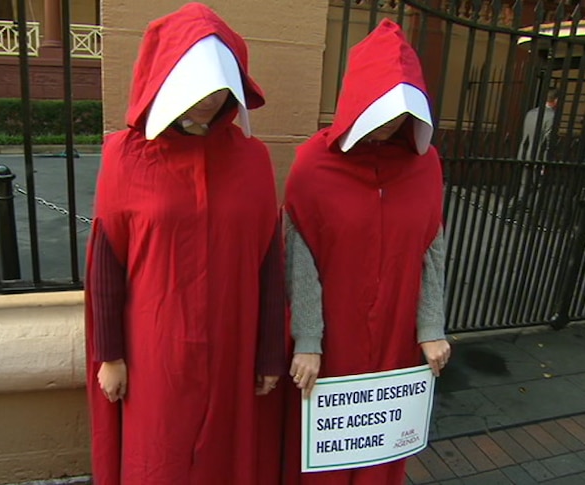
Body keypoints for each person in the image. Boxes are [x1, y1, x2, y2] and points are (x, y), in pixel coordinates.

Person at [83, 4, 285, 484]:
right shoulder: (124, 155)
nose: (208, 101)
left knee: (224, 457)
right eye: (197, 86)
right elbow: (106, 262)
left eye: (218, 88)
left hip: (233, 342)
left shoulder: (253, 160)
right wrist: (110, 356)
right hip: (154, 348)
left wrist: (270, 352)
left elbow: (269, 262)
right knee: (159, 454)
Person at [283, 19, 451, 485]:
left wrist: (431, 326)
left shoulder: (425, 165)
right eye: (384, 108)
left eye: (403, 111)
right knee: (328, 455)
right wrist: (309, 340)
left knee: (382, 448)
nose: (395, 122)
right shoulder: (313, 165)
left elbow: (431, 248)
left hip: (397, 334)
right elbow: (302, 257)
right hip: (335, 336)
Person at [509, 89, 559, 213]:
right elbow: (548, 141)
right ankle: (533, 212)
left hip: (525, 153)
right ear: (556, 100)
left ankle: (513, 207)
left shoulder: (531, 113)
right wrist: (546, 161)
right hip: (539, 156)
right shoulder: (552, 116)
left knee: (524, 184)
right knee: (539, 185)